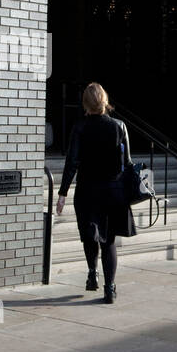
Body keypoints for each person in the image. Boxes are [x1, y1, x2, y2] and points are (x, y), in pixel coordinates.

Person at [56, 83, 137, 303]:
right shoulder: (119, 126)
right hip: (112, 191)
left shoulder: (80, 127)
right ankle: (109, 289)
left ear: (85, 103)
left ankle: (92, 274)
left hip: (87, 191)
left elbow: (71, 162)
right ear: (104, 101)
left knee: (89, 236)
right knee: (108, 240)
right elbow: (127, 163)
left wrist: (62, 193)